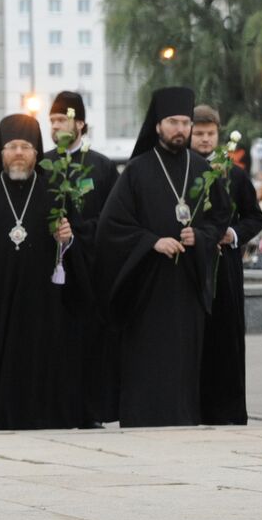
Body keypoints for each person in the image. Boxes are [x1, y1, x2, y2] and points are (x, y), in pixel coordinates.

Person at [96, 86, 228, 427]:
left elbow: (219, 220)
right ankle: (142, 417)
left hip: (187, 283)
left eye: (185, 122)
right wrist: (151, 242)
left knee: (185, 356)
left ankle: (185, 417)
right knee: (149, 355)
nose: (180, 129)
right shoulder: (137, 171)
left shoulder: (203, 170)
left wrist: (198, 236)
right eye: (173, 122)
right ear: (157, 125)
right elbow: (112, 225)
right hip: (148, 286)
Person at [0, 114, 83, 429]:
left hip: (40, 299)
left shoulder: (53, 195)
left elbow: (71, 257)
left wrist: (66, 240)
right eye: (12, 146)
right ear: (1, 153)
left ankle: (42, 415)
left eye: (26, 147)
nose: (19, 152)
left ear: (36, 153)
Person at [46, 90, 121, 427]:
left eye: (62, 120)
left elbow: (111, 221)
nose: (56, 126)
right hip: (52, 276)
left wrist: (76, 234)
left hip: (89, 273)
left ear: (80, 123)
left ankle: (91, 412)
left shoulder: (102, 167)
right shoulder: (44, 163)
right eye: (52, 121)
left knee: (89, 345)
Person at [190, 105, 262, 425]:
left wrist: (233, 234)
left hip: (226, 267)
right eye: (199, 134)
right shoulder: (181, 171)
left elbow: (254, 217)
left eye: (210, 134)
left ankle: (228, 411)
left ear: (218, 135)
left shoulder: (232, 173)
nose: (205, 140)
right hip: (192, 267)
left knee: (226, 341)